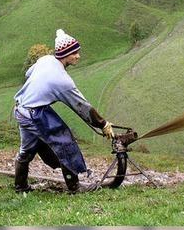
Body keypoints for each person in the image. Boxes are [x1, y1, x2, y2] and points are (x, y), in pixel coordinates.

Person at [13, 29, 115, 194]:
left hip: (21, 108)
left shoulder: (45, 59)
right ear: (65, 54)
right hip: (35, 113)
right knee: (65, 142)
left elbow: (28, 73)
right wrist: (102, 124)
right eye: (74, 53)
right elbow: (81, 106)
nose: (78, 56)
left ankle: (21, 187)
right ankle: (74, 187)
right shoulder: (62, 81)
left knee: (27, 150)